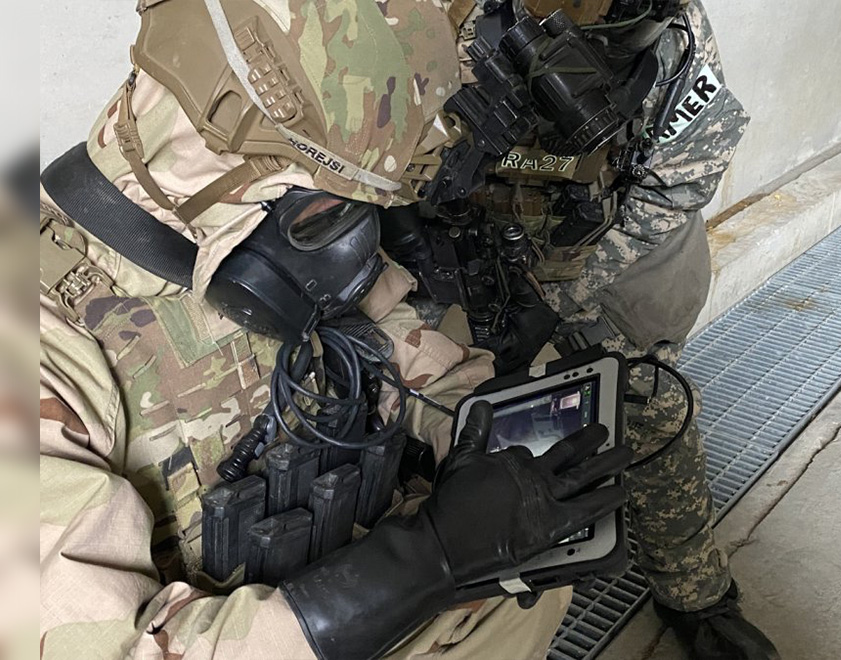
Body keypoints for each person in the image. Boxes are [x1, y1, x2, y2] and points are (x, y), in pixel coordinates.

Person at [39, 1, 628, 658]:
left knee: (533, 578)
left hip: (365, 581)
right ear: (233, 180)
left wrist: (476, 434)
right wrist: (428, 557)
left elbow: (400, 340)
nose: (351, 244)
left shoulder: (270, 225)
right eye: (329, 213)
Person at [393, 0, 782, 657]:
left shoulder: (669, 33)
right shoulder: (427, 18)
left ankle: (698, 595)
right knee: (427, 408)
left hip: (609, 244)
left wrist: (564, 294)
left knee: (642, 401)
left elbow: (678, 182)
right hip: (454, 235)